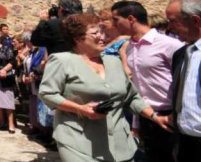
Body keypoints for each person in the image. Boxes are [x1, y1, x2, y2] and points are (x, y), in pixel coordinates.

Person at [39, 13, 172, 161]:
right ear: (77, 39)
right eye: (96, 33)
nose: (103, 36)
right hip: (77, 140)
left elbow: (132, 96)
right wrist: (81, 109)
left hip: (119, 143)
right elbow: (47, 93)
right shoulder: (61, 60)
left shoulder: (113, 61)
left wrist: (155, 117)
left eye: (102, 32)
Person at [111, 0, 184, 160]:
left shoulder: (169, 45)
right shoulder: (129, 47)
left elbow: (185, 80)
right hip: (147, 116)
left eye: (116, 19)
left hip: (171, 117)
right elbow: (137, 87)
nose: (113, 24)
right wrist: (137, 124)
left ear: (131, 19)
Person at [166, 0, 201, 160]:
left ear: (195, 20)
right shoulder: (180, 54)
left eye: (173, 21)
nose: (169, 27)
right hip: (184, 143)